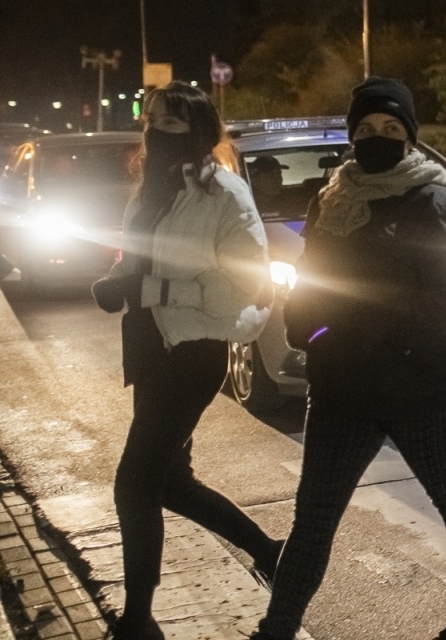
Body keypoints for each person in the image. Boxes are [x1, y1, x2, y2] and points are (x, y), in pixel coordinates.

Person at [252, 77, 446, 640]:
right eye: (365, 130)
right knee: (313, 520)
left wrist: (373, 329)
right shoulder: (331, 198)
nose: (377, 138)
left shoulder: (434, 199)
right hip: (343, 388)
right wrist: (305, 327)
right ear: (351, 137)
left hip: (419, 386)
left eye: (391, 129)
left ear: (409, 138)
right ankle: (277, 628)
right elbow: (312, 277)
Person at [89, 83, 281, 640]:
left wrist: (146, 289)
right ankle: (271, 553)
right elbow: (145, 260)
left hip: (193, 354)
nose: (157, 131)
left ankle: (140, 622)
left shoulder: (224, 195)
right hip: (150, 349)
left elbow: (241, 289)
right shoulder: (147, 191)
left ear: (198, 133)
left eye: (171, 124)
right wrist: (121, 281)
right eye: (151, 120)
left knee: (134, 483)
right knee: (169, 482)